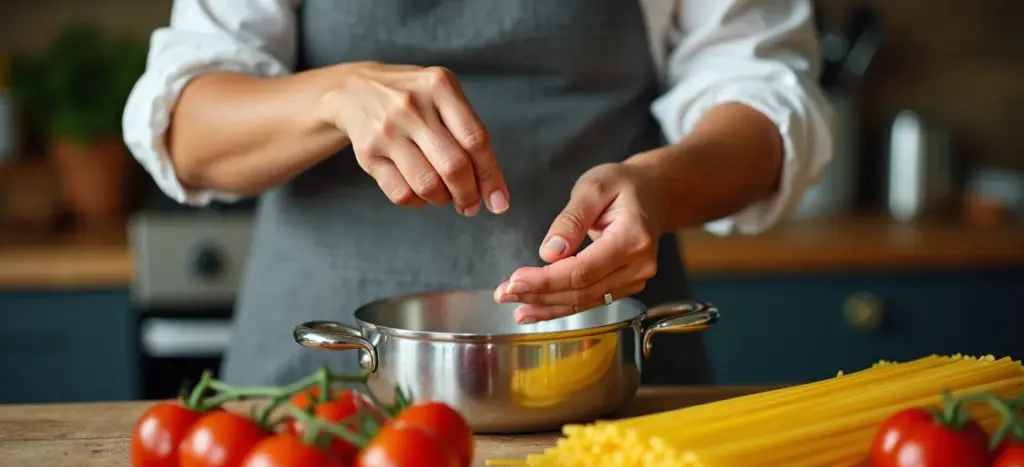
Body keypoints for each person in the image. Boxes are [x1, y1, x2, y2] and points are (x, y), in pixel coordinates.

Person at [123, 0, 834, 387]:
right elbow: (185, 126)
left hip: (602, 378)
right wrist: (334, 96)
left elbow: (764, 98)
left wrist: (661, 185)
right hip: (318, 382)